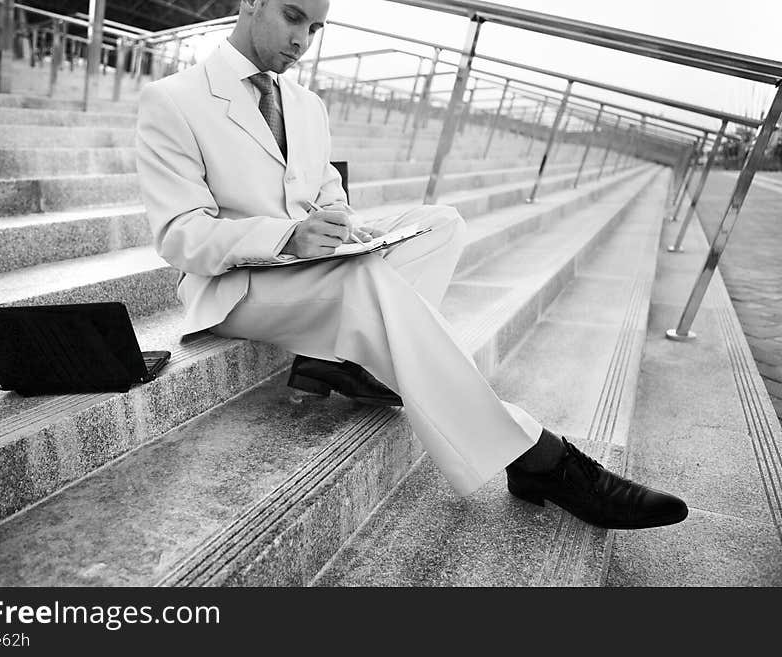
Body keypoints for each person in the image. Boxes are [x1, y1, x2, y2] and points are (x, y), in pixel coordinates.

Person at [135, 0, 688, 530]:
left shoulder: (306, 104)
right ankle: (535, 454)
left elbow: (324, 190)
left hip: (310, 269)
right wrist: (288, 236)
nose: (302, 40)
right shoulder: (174, 99)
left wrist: (345, 225)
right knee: (364, 281)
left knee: (441, 222)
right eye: (293, 17)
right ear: (251, 1)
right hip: (235, 288)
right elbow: (179, 235)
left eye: (317, 27)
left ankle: (343, 363)